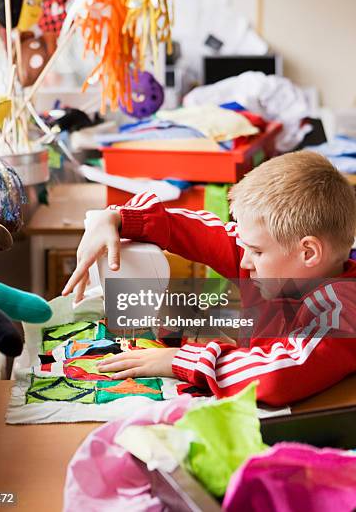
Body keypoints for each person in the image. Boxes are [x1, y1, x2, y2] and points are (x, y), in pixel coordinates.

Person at [62, 151, 356, 406]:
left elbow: (277, 376)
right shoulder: (274, 260)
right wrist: (116, 219)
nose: (243, 261)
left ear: (308, 252)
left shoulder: (341, 313)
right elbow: (188, 227)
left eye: (254, 250)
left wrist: (180, 360)